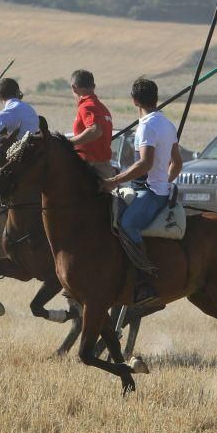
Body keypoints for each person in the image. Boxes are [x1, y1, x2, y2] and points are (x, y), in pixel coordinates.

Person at [101, 78, 183, 306]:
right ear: (155, 98)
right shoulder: (166, 124)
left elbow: (145, 164)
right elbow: (177, 162)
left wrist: (114, 181)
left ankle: (144, 281)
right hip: (154, 188)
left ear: (134, 100)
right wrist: (165, 181)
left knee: (127, 224)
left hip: (151, 193)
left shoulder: (147, 126)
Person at [67, 69, 115, 179]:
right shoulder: (102, 108)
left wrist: (68, 142)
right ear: (93, 86)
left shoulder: (86, 106)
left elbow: (95, 131)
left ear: (74, 88)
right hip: (104, 168)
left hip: (91, 170)